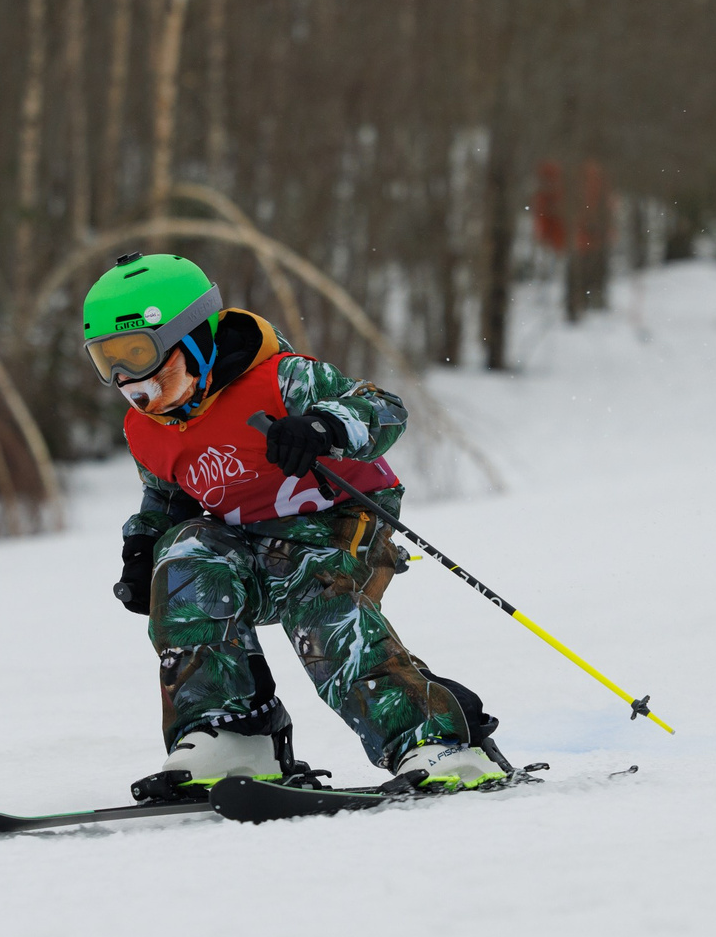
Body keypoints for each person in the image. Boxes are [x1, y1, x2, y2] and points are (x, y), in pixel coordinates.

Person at [84, 252, 509, 801]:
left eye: (137, 353)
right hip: (249, 538)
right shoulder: (147, 429)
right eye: (107, 360)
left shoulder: (284, 379)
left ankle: (439, 742)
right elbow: (167, 495)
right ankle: (233, 733)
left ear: (191, 337)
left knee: (318, 597)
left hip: (341, 518)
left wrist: (322, 425)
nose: (125, 379)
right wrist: (145, 545)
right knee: (186, 557)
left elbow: (385, 408)